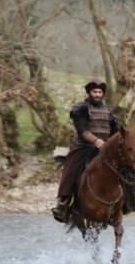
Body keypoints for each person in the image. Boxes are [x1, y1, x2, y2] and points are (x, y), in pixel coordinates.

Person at [51, 78, 120, 223]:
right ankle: (64, 201)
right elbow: (82, 130)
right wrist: (96, 141)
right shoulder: (81, 109)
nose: (97, 94)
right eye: (94, 92)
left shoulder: (109, 111)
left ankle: (131, 198)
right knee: (71, 168)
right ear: (89, 93)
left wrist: (113, 143)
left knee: (125, 164)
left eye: (100, 92)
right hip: (85, 147)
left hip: (105, 148)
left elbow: (115, 131)